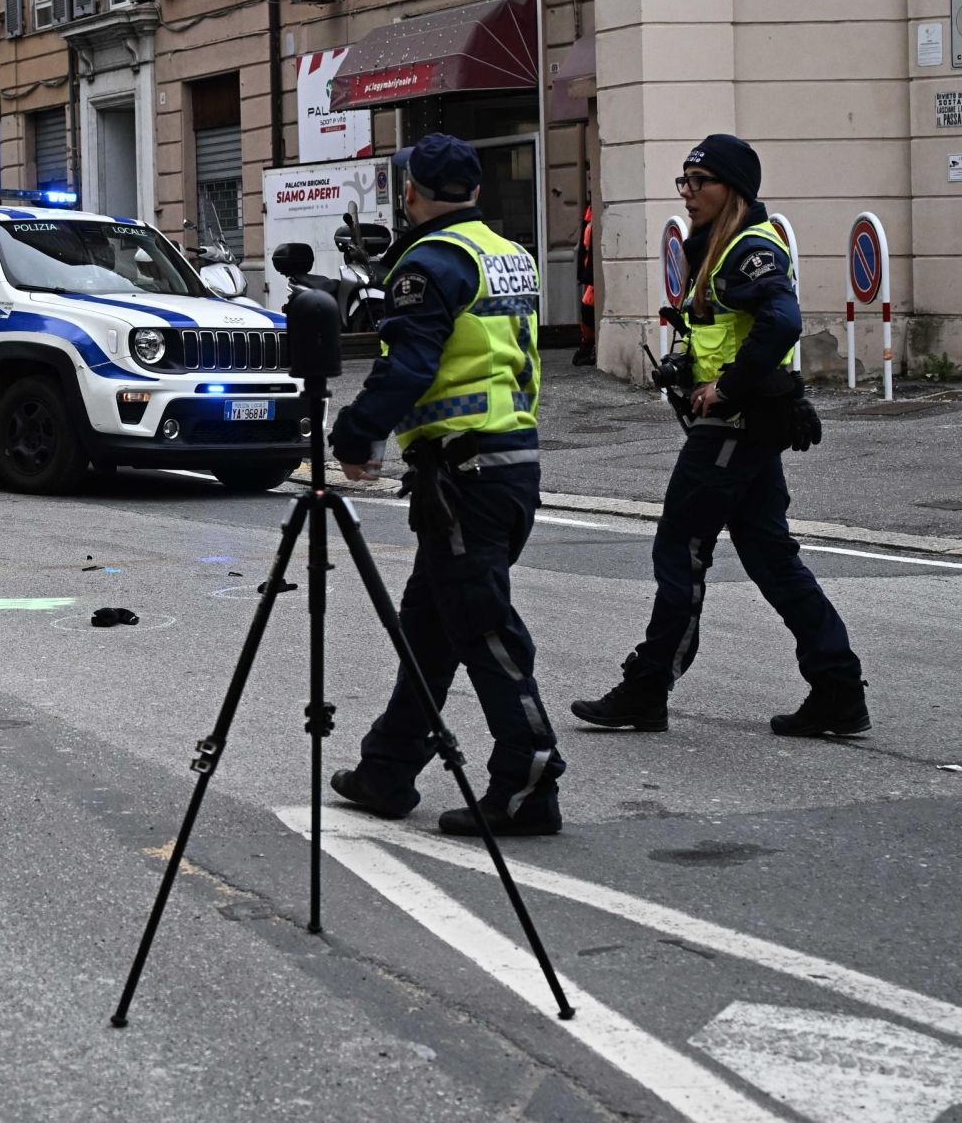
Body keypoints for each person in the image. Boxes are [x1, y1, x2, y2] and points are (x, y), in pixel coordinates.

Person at [571, 134, 867, 737]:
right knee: (770, 559)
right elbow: (734, 330)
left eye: (698, 182)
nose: (687, 194)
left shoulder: (747, 248)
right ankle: (838, 688)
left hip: (731, 428)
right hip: (741, 428)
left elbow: (783, 321)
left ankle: (649, 687)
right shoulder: (718, 246)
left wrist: (729, 387)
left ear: (730, 188)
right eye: (684, 181)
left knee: (681, 551)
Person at [326, 133, 565, 838]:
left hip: (464, 472)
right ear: (477, 192)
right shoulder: (506, 253)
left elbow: (409, 367)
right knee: (431, 627)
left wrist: (354, 435)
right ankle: (388, 768)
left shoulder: (428, 263)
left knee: (484, 630)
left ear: (411, 193)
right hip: (508, 460)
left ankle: (529, 781)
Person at [572, 194, 596, 366]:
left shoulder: (592, 212)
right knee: (587, 308)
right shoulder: (590, 212)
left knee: (588, 308)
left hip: (592, 274)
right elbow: (585, 246)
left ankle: (589, 346)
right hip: (590, 273)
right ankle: (588, 346)